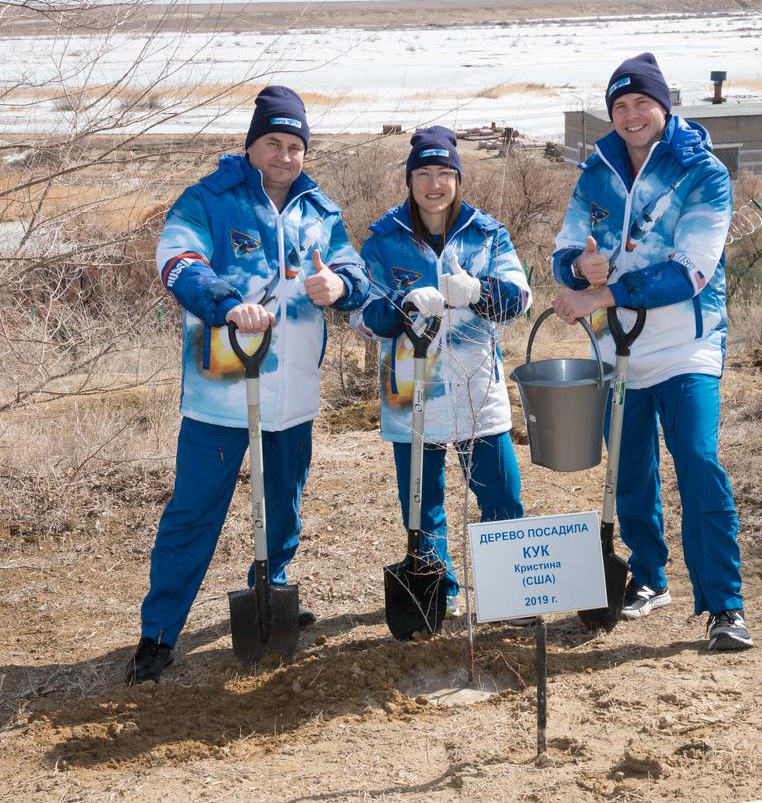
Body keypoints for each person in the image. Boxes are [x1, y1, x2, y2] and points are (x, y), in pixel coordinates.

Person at [129, 86, 371, 683]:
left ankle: (273, 590)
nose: (285, 156)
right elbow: (177, 260)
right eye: (273, 142)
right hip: (222, 389)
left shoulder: (320, 210)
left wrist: (338, 287)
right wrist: (226, 302)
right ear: (252, 144)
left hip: (291, 393)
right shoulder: (209, 198)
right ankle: (158, 635)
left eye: (295, 146)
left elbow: (354, 272)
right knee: (194, 511)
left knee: (283, 503)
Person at [550, 53, 752, 650]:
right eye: (620, 106)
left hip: (687, 343)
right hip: (619, 346)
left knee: (696, 459)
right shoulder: (596, 173)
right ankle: (649, 577)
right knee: (629, 470)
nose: (632, 115)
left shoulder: (703, 173)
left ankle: (724, 606)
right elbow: (562, 252)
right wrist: (577, 266)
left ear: (664, 107)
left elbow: (690, 271)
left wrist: (605, 290)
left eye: (642, 103)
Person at [352, 126, 531, 618]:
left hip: (478, 388)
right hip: (413, 390)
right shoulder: (385, 240)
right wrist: (403, 308)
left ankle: (507, 591)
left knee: (500, 495)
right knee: (422, 504)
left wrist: (479, 291)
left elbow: (521, 298)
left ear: (458, 178)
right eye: (424, 174)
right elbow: (363, 317)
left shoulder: (487, 232)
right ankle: (439, 590)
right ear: (410, 180)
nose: (434, 185)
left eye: (444, 174)